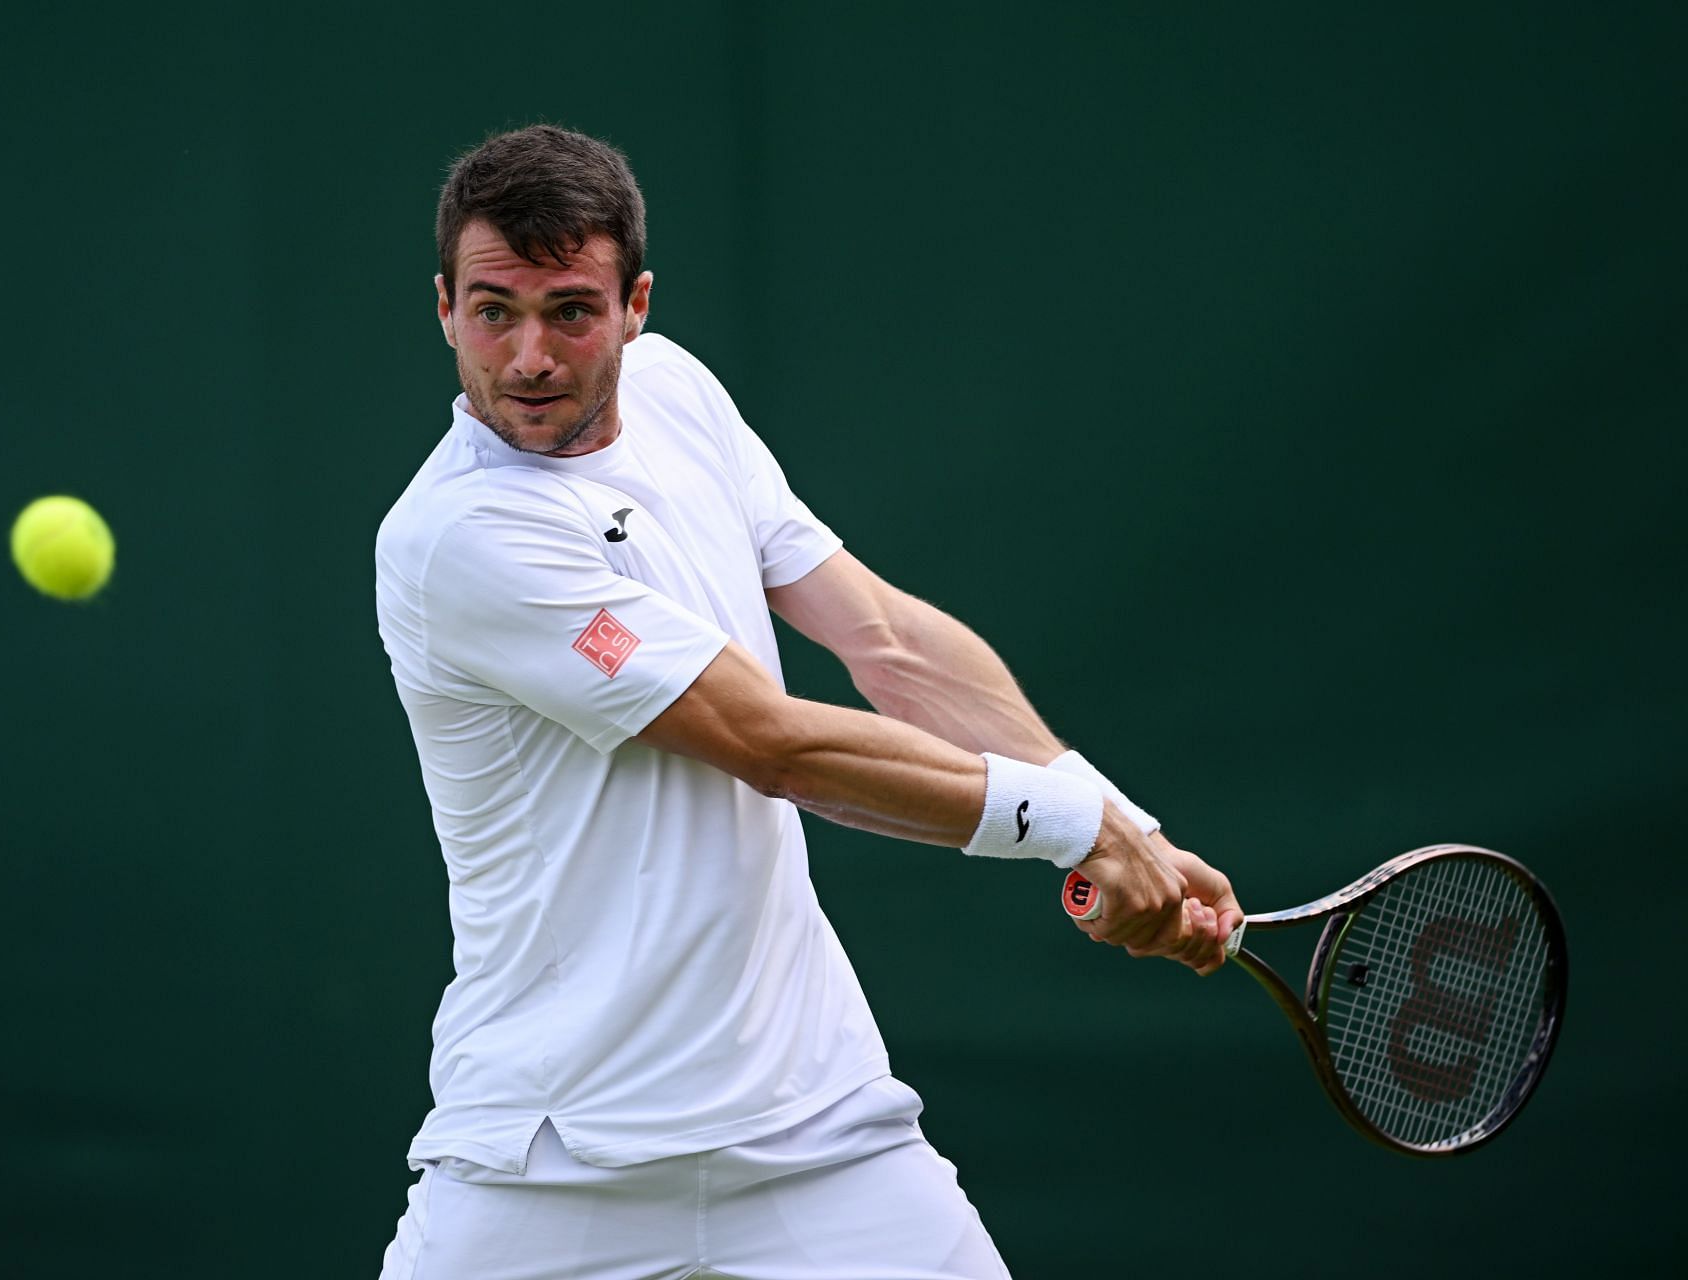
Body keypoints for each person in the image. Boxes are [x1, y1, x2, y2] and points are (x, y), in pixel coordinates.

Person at [373, 123, 1242, 1280]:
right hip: (554, 1152)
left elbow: (882, 637)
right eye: (494, 311)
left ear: (635, 305)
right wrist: (1073, 829)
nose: (529, 355)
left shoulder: (677, 394)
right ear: (443, 307)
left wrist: (1122, 818)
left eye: (570, 311)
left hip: (811, 1123)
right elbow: (769, 742)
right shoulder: (459, 538)